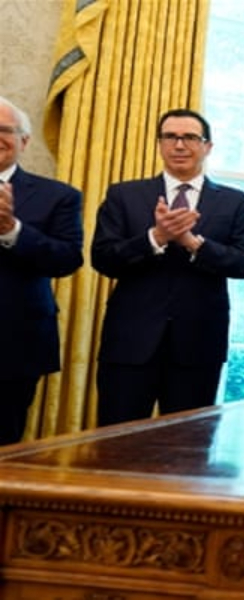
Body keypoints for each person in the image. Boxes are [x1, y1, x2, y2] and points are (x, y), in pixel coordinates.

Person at [92, 108, 244, 426]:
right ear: (159, 144)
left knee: (189, 443)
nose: (179, 145)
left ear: (207, 146)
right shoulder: (124, 195)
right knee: (118, 439)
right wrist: (156, 237)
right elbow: (103, 258)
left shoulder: (235, 202)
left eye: (190, 137)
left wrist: (193, 243)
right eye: (170, 137)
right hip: (130, 342)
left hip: (199, 344)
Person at [0, 97, 83, 445]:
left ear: (24, 140)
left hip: (13, 345)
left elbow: (67, 259)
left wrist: (12, 231)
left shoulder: (58, 196)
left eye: (4, 130)